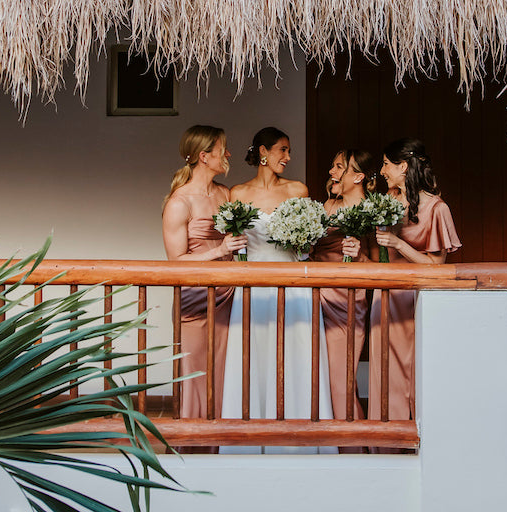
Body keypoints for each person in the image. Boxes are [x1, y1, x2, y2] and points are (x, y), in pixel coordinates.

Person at [220, 126, 334, 453]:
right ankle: (248, 434)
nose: (287, 157)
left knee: (296, 351)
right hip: (253, 285)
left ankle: (300, 436)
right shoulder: (237, 194)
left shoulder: (298, 190)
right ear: (263, 152)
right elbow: (234, 243)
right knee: (254, 354)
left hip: (293, 282)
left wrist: (302, 242)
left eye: (288, 151)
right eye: (282, 150)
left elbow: (309, 241)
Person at [368, 137, 461, 427]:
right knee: (383, 368)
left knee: (420, 366)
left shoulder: (436, 208)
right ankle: (385, 437)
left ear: (404, 166)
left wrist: (399, 243)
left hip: (418, 300)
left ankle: (424, 431)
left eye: (386, 164)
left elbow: (437, 266)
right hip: (386, 296)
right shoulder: (384, 204)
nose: (382, 171)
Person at [162, 125, 248, 428]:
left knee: (225, 369)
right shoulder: (179, 202)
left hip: (227, 296)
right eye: (222, 149)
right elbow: (176, 262)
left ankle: (222, 440)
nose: (228, 155)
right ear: (203, 156)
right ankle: (193, 441)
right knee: (195, 369)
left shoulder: (226, 194)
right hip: (195, 299)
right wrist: (219, 250)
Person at [311, 149, 378, 425]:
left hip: (346, 299)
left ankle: (351, 442)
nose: (332, 172)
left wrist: (360, 255)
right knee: (319, 373)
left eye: (339, 167)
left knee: (341, 376)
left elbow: (380, 266)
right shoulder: (326, 206)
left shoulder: (372, 211)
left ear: (359, 176)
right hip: (314, 294)